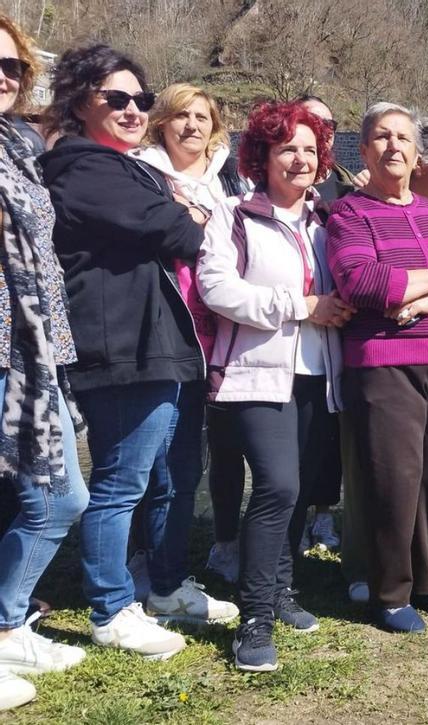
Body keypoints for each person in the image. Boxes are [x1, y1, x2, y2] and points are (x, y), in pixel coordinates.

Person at [42, 43, 206, 660]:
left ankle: (151, 591)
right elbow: (179, 232)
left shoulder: (126, 166)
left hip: (149, 341)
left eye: (142, 99)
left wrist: (175, 213)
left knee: (151, 479)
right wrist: (179, 215)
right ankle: (110, 608)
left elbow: (170, 224)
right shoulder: (84, 167)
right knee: (120, 484)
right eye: (117, 98)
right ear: (82, 102)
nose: (135, 109)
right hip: (120, 345)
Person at [326, 102, 428, 633]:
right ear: (365, 150)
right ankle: (390, 590)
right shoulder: (350, 214)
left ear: (417, 151)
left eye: (403, 137)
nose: (393, 146)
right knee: (394, 480)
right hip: (384, 364)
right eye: (381, 137)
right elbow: (362, 283)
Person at [197, 100, 351, 671]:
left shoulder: (328, 222)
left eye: (311, 150)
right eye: (288, 147)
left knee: (302, 488)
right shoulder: (233, 215)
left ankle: (283, 589)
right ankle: (254, 618)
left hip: (317, 374)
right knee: (277, 488)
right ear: (262, 155)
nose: (301, 159)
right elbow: (217, 288)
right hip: (256, 376)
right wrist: (299, 306)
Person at [126, 82, 244, 619]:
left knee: (184, 463)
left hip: (215, 338)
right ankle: (141, 568)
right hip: (160, 331)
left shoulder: (226, 181)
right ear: (162, 123)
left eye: (202, 117)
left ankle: (165, 571)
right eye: (180, 116)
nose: (192, 126)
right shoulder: (142, 173)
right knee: (144, 461)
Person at [0, 15, 88, 711]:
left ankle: (8, 619)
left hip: (32, 355)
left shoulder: (17, 149)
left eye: (12, 67)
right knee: (50, 497)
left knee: (61, 497)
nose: (5, 76)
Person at [295, 93, 349, 551]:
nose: (322, 129)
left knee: (328, 435)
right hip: (288, 329)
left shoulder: (343, 183)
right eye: (314, 122)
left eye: (329, 125)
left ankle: (324, 517)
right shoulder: (280, 173)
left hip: (335, 326)